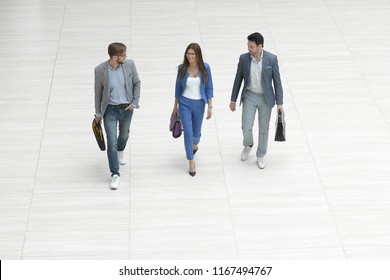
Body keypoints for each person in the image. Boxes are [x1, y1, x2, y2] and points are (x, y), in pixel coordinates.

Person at [230, 32, 283, 169]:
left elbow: (277, 82)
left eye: (251, 46)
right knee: (246, 126)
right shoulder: (244, 59)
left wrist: (280, 103)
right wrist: (233, 100)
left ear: (260, 47)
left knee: (263, 129)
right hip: (249, 95)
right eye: (248, 45)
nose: (249, 49)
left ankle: (260, 155)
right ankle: (248, 144)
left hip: (266, 99)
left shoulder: (271, 59)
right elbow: (238, 79)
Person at [94, 42, 141, 190]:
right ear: (115, 57)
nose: (126, 57)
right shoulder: (100, 70)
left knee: (124, 135)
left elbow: (137, 83)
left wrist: (134, 102)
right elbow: (98, 93)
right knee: (111, 141)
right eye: (123, 55)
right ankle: (115, 174)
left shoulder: (129, 65)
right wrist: (98, 113)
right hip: (110, 110)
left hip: (127, 108)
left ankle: (121, 149)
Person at [172, 43, 214, 176]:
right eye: (188, 53)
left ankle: (195, 145)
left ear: (198, 55)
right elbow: (177, 89)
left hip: (199, 104)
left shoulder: (205, 68)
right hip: (184, 104)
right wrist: (175, 106)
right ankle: (191, 161)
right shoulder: (182, 68)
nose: (190, 56)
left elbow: (209, 88)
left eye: (192, 54)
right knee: (188, 134)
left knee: (196, 134)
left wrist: (210, 106)